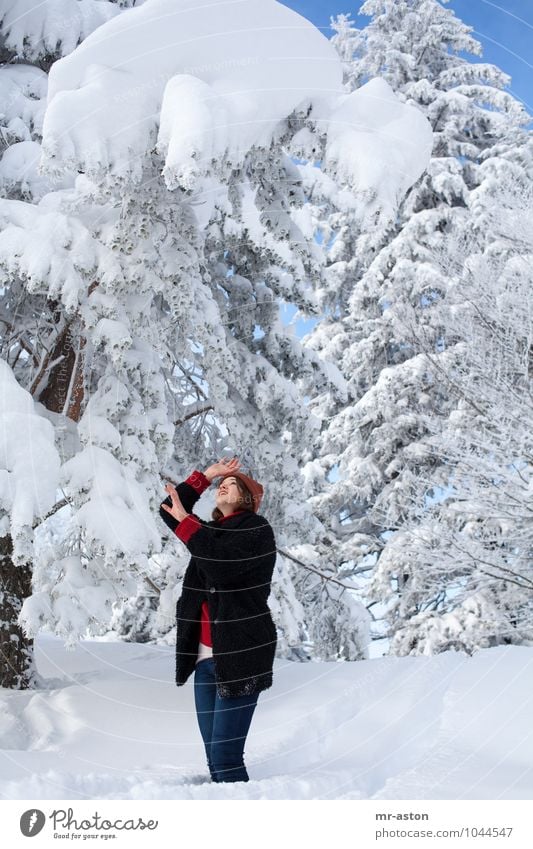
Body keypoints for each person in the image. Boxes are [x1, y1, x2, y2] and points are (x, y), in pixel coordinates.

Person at [159, 456, 277, 783]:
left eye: (233, 484)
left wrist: (187, 521)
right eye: (222, 483)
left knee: (225, 757)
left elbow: (220, 566)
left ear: (247, 498)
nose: (225, 485)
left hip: (240, 656)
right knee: (213, 755)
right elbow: (169, 508)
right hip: (205, 661)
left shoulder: (256, 529)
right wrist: (207, 475)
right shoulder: (210, 532)